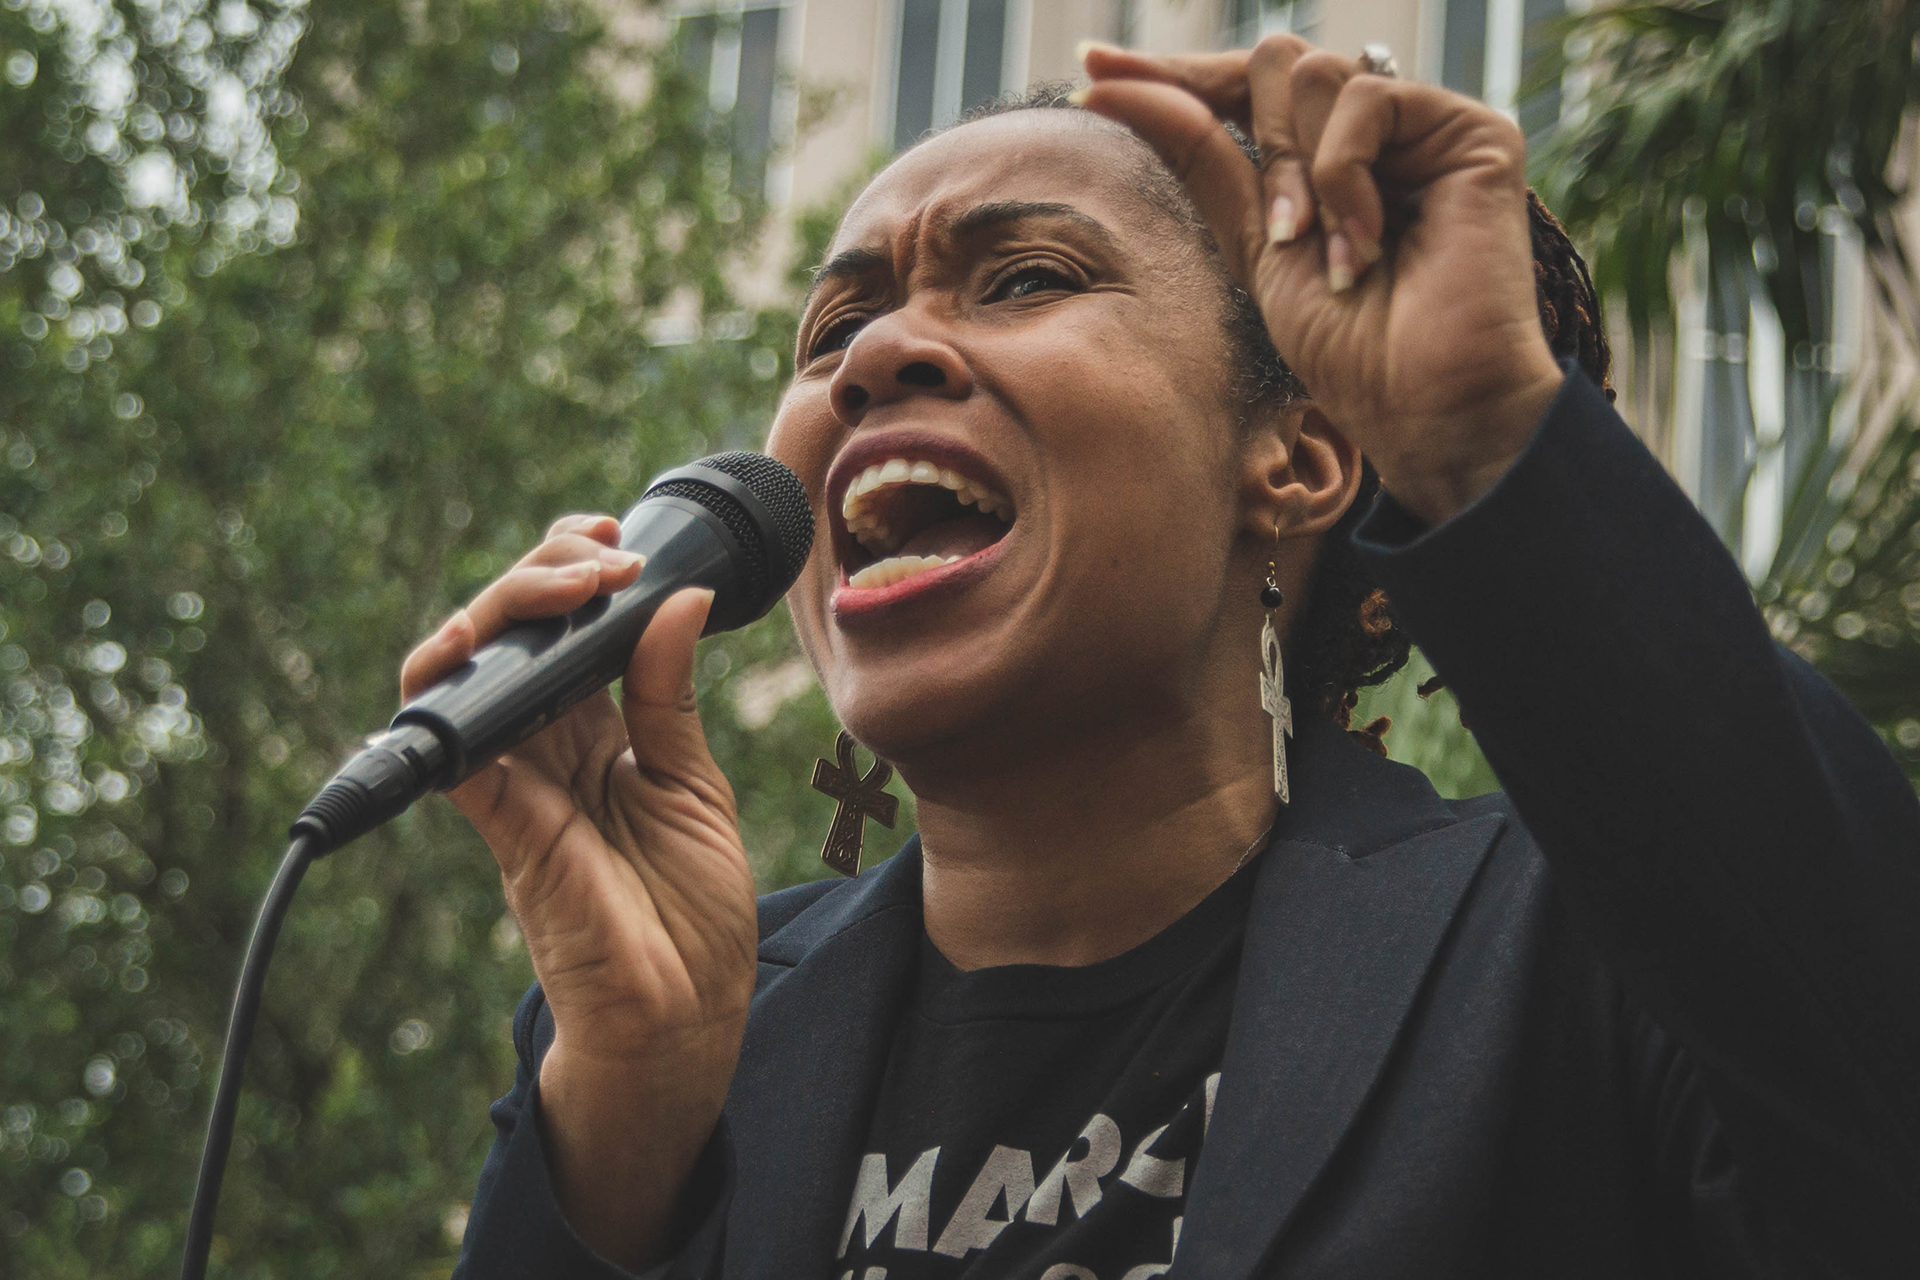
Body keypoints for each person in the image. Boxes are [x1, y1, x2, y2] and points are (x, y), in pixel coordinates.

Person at [414, 36, 1920, 1280]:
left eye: (1024, 278)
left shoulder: (1564, 958)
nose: (871, 358)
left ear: (1300, 460)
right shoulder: (680, 1044)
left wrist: (1481, 437)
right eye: (834, 329)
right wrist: (628, 1112)